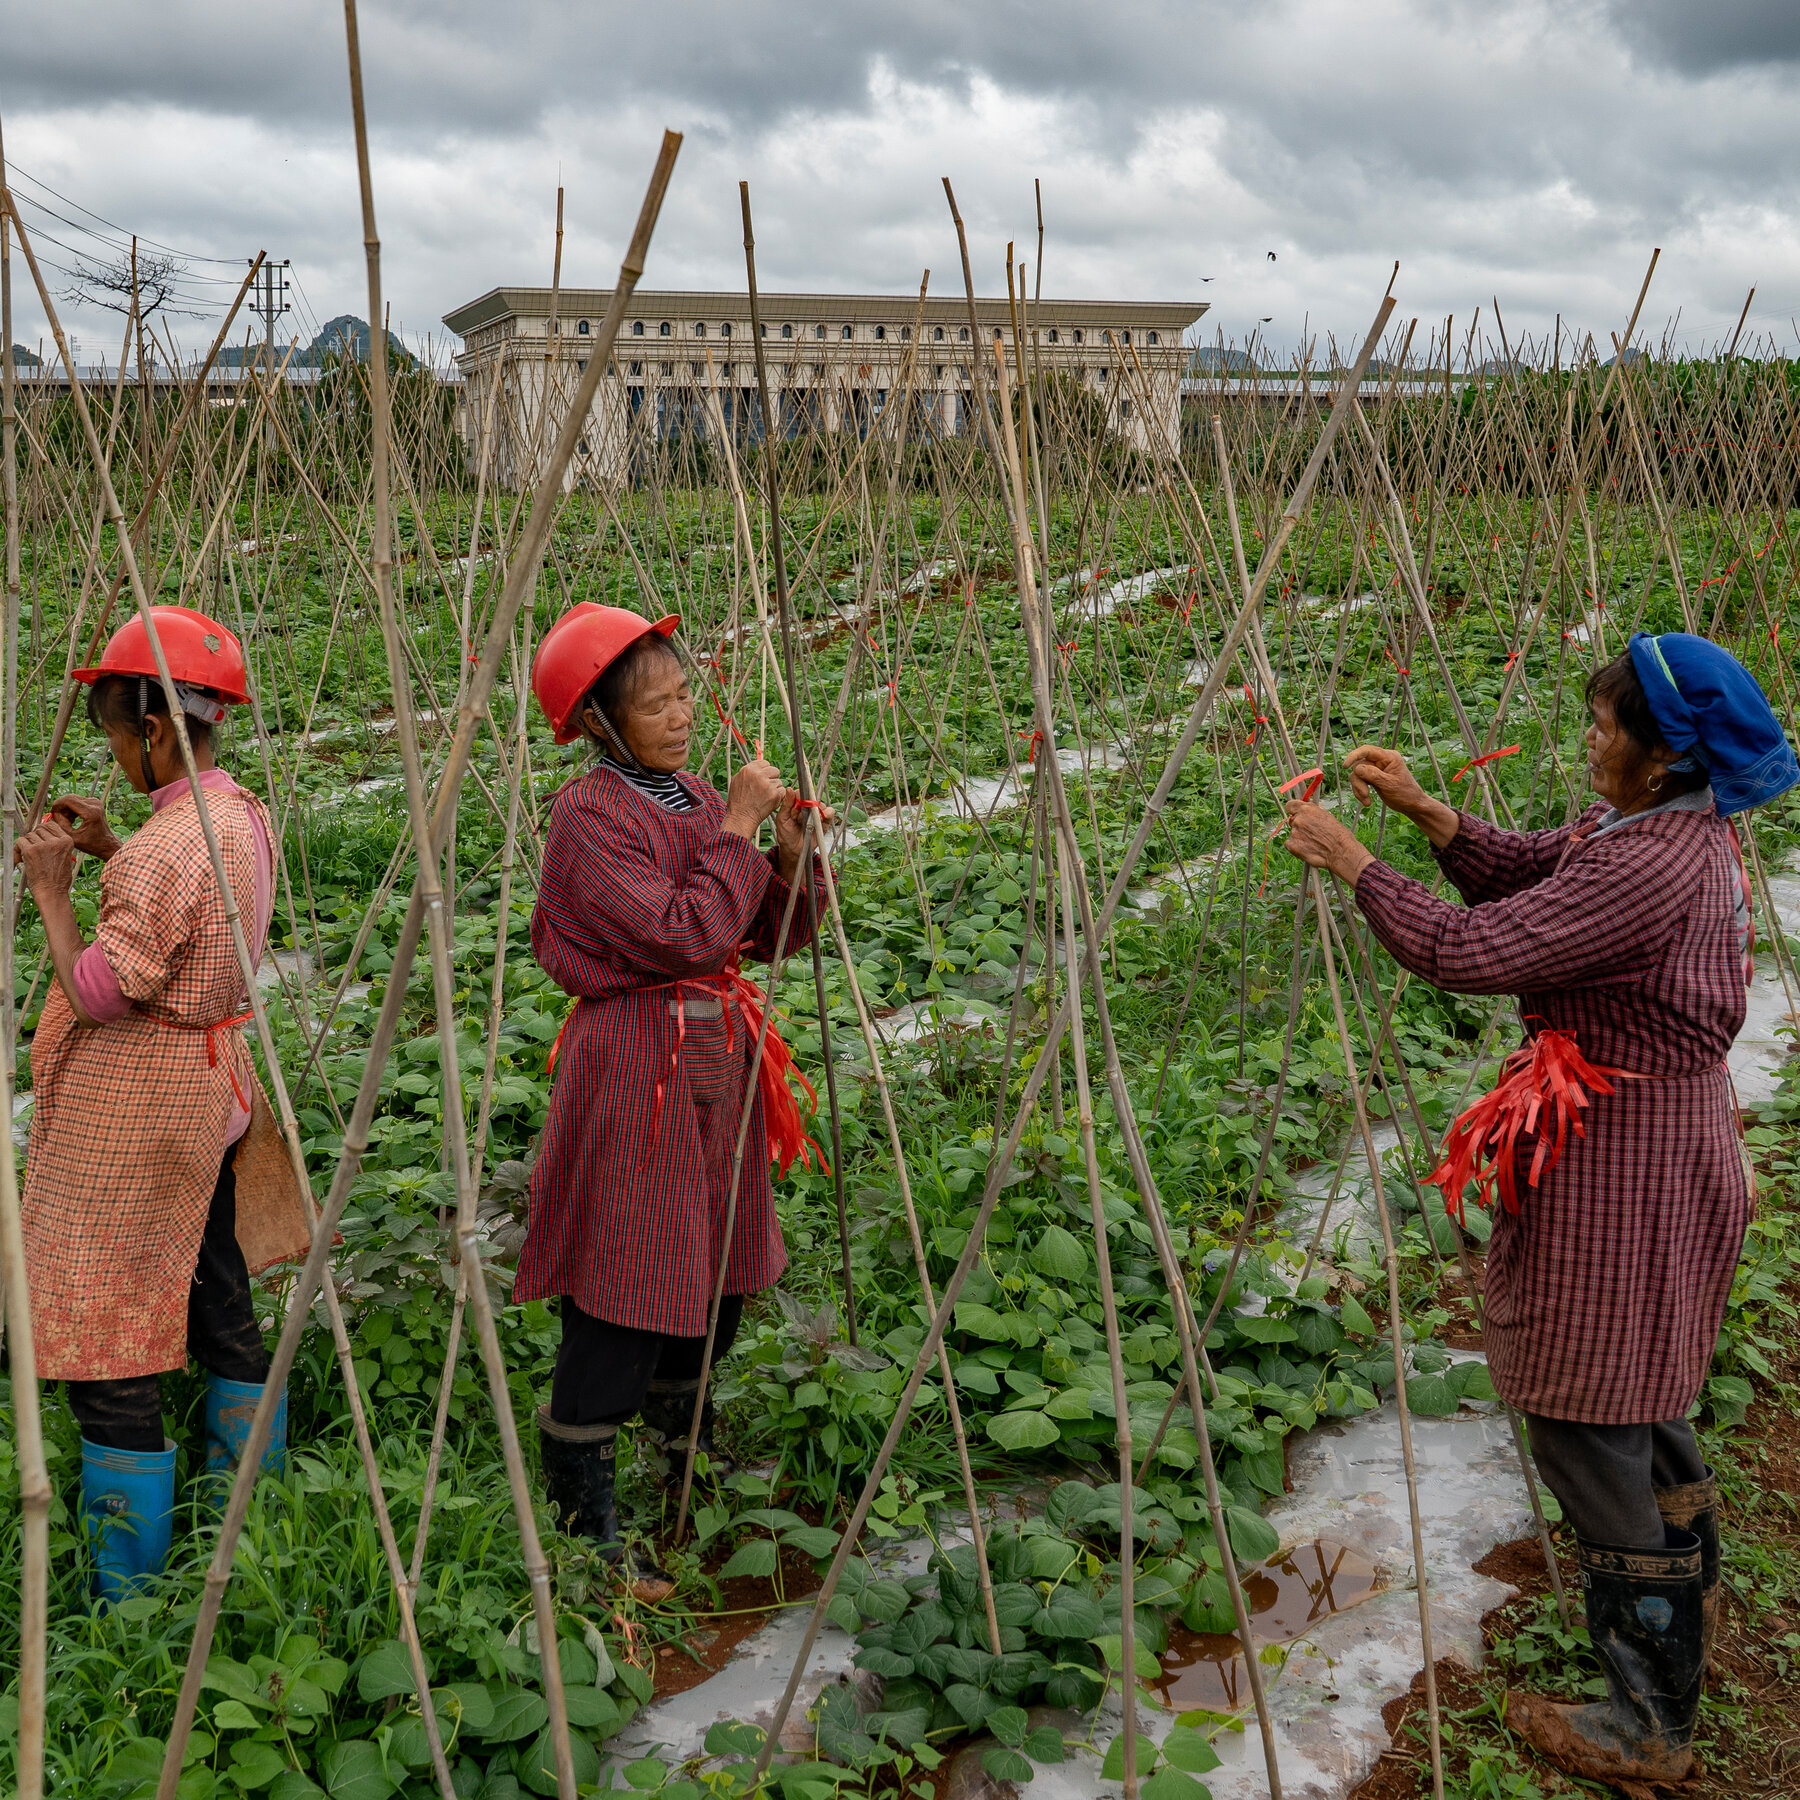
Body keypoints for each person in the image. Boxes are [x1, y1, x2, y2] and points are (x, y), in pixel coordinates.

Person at [1284, 632, 1798, 1785]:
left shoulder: (1650, 862)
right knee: (1641, 1380)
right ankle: (1683, 1605)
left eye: (1606, 727)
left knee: (1585, 1409)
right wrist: (1429, 815)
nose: (1589, 739)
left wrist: (1356, 861)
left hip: (1627, 1160)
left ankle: (1649, 1722)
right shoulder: (1658, 831)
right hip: (1654, 1141)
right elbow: (1538, 878)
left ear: (1664, 756)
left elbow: (1473, 949)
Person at [520, 604, 832, 1595]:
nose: (680, 713)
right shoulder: (589, 818)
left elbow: (765, 938)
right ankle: (585, 1513)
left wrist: (786, 857)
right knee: (625, 1280)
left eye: (684, 693)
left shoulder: (698, 797)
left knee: (715, 1268)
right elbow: (680, 937)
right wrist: (738, 831)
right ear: (601, 722)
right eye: (653, 704)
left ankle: (681, 1452)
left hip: (715, 1065)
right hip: (634, 1069)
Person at [18, 605, 288, 1604]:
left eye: (119, 739)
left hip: (139, 1115)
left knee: (109, 1332)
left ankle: (126, 1597)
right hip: (210, 1096)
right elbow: (190, 911)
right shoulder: (236, 817)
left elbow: (102, 989)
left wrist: (55, 889)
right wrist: (110, 849)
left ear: (160, 732)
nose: (118, 755)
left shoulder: (165, 849)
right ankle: (254, 1512)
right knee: (218, 1288)